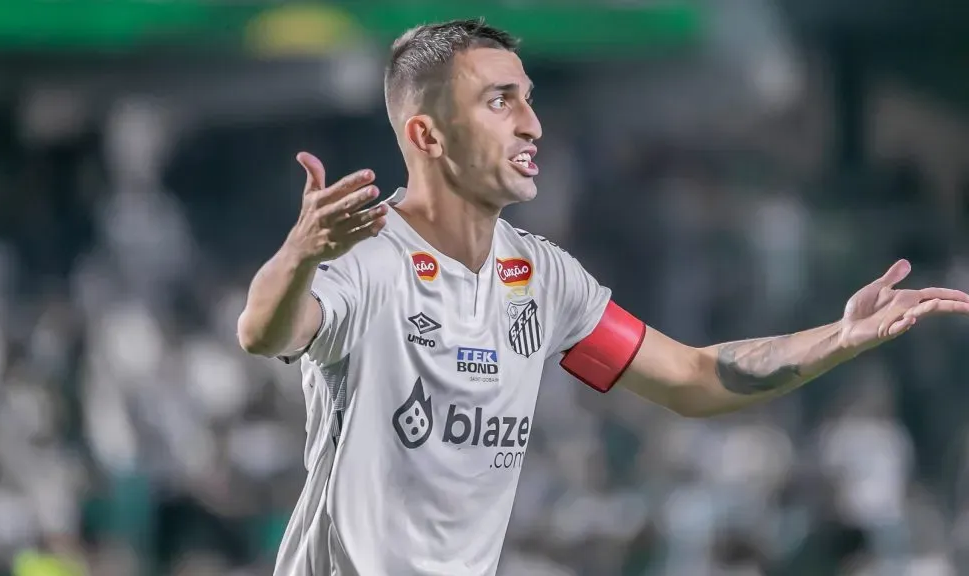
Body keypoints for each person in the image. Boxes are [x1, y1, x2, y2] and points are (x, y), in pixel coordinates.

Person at [237, 18, 969, 576]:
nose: (532, 124)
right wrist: (299, 255)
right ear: (427, 134)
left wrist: (835, 340)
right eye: (500, 102)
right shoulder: (366, 255)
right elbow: (266, 332)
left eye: (527, 99)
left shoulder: (544, 279)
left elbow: (689, 380)